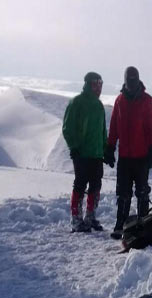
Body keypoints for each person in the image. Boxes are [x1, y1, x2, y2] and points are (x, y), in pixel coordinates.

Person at [105, 66, 152, 239]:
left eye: (134, 79)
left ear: (138, 80)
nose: (132, 82)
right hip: (125, 157)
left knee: (142, 192)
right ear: (125, 80)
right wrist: (110, 147)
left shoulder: (148, 101)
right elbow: (114, 126)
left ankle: (142, 223)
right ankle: (121, 225)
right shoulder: (120, 100)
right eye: (129, 80)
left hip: (142, 155)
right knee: (123, 193)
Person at [62, 72, 107, 232]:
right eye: (96, 84)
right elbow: (67, 127)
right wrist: (74, 147)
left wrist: (106, 149)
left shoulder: (99, 105)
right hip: (81, 152)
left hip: (96, 153)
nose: (99, 87)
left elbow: (102, 130)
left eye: (101, 84)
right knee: (80, 184)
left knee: (96, 185)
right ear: (88, 84)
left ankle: (90, 216)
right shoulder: (77, 103)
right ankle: (76, 219)